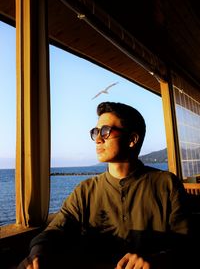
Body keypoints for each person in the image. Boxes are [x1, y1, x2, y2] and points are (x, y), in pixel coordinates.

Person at [18, 101, 191, 269]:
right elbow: (54, 231)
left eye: (106, 131)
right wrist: (37, 254)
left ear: (132, 139)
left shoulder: (167, 184)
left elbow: (187, 243)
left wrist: (156, 261)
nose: (98, 139)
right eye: (95, 132)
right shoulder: (85, 191)